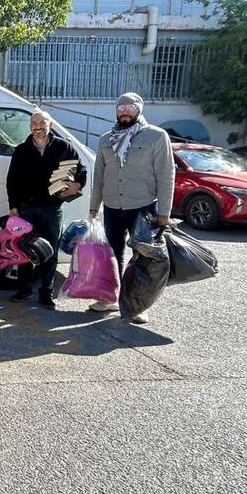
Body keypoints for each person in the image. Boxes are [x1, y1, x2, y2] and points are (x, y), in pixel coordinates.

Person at [88, 92, 175, 323]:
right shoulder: (106, 139)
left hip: (143, 207)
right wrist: (93, 207)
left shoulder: (156, 137)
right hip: (113, 206)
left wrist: (164, 213)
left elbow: (166, 176)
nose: (125, 111)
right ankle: (110, 299)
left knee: (143, 259)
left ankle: (138, 305)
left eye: (130, 106)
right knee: (112, 255)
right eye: (121, 107)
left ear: (139, 109)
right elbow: (99, 175)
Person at [6, 110, 86, 309]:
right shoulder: (21, 149)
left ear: (50, 125)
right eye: (34, 123)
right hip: (27, 207)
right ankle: (24, 289)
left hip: (52, 208)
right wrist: (13, 206)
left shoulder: (63, 146)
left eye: (42, 123)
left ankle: (46, 293)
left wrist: (78, 185)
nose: (38, 126)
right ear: (30, 126)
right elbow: (12, 180)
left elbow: (81, 169)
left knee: (50, 251)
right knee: (24, 249)